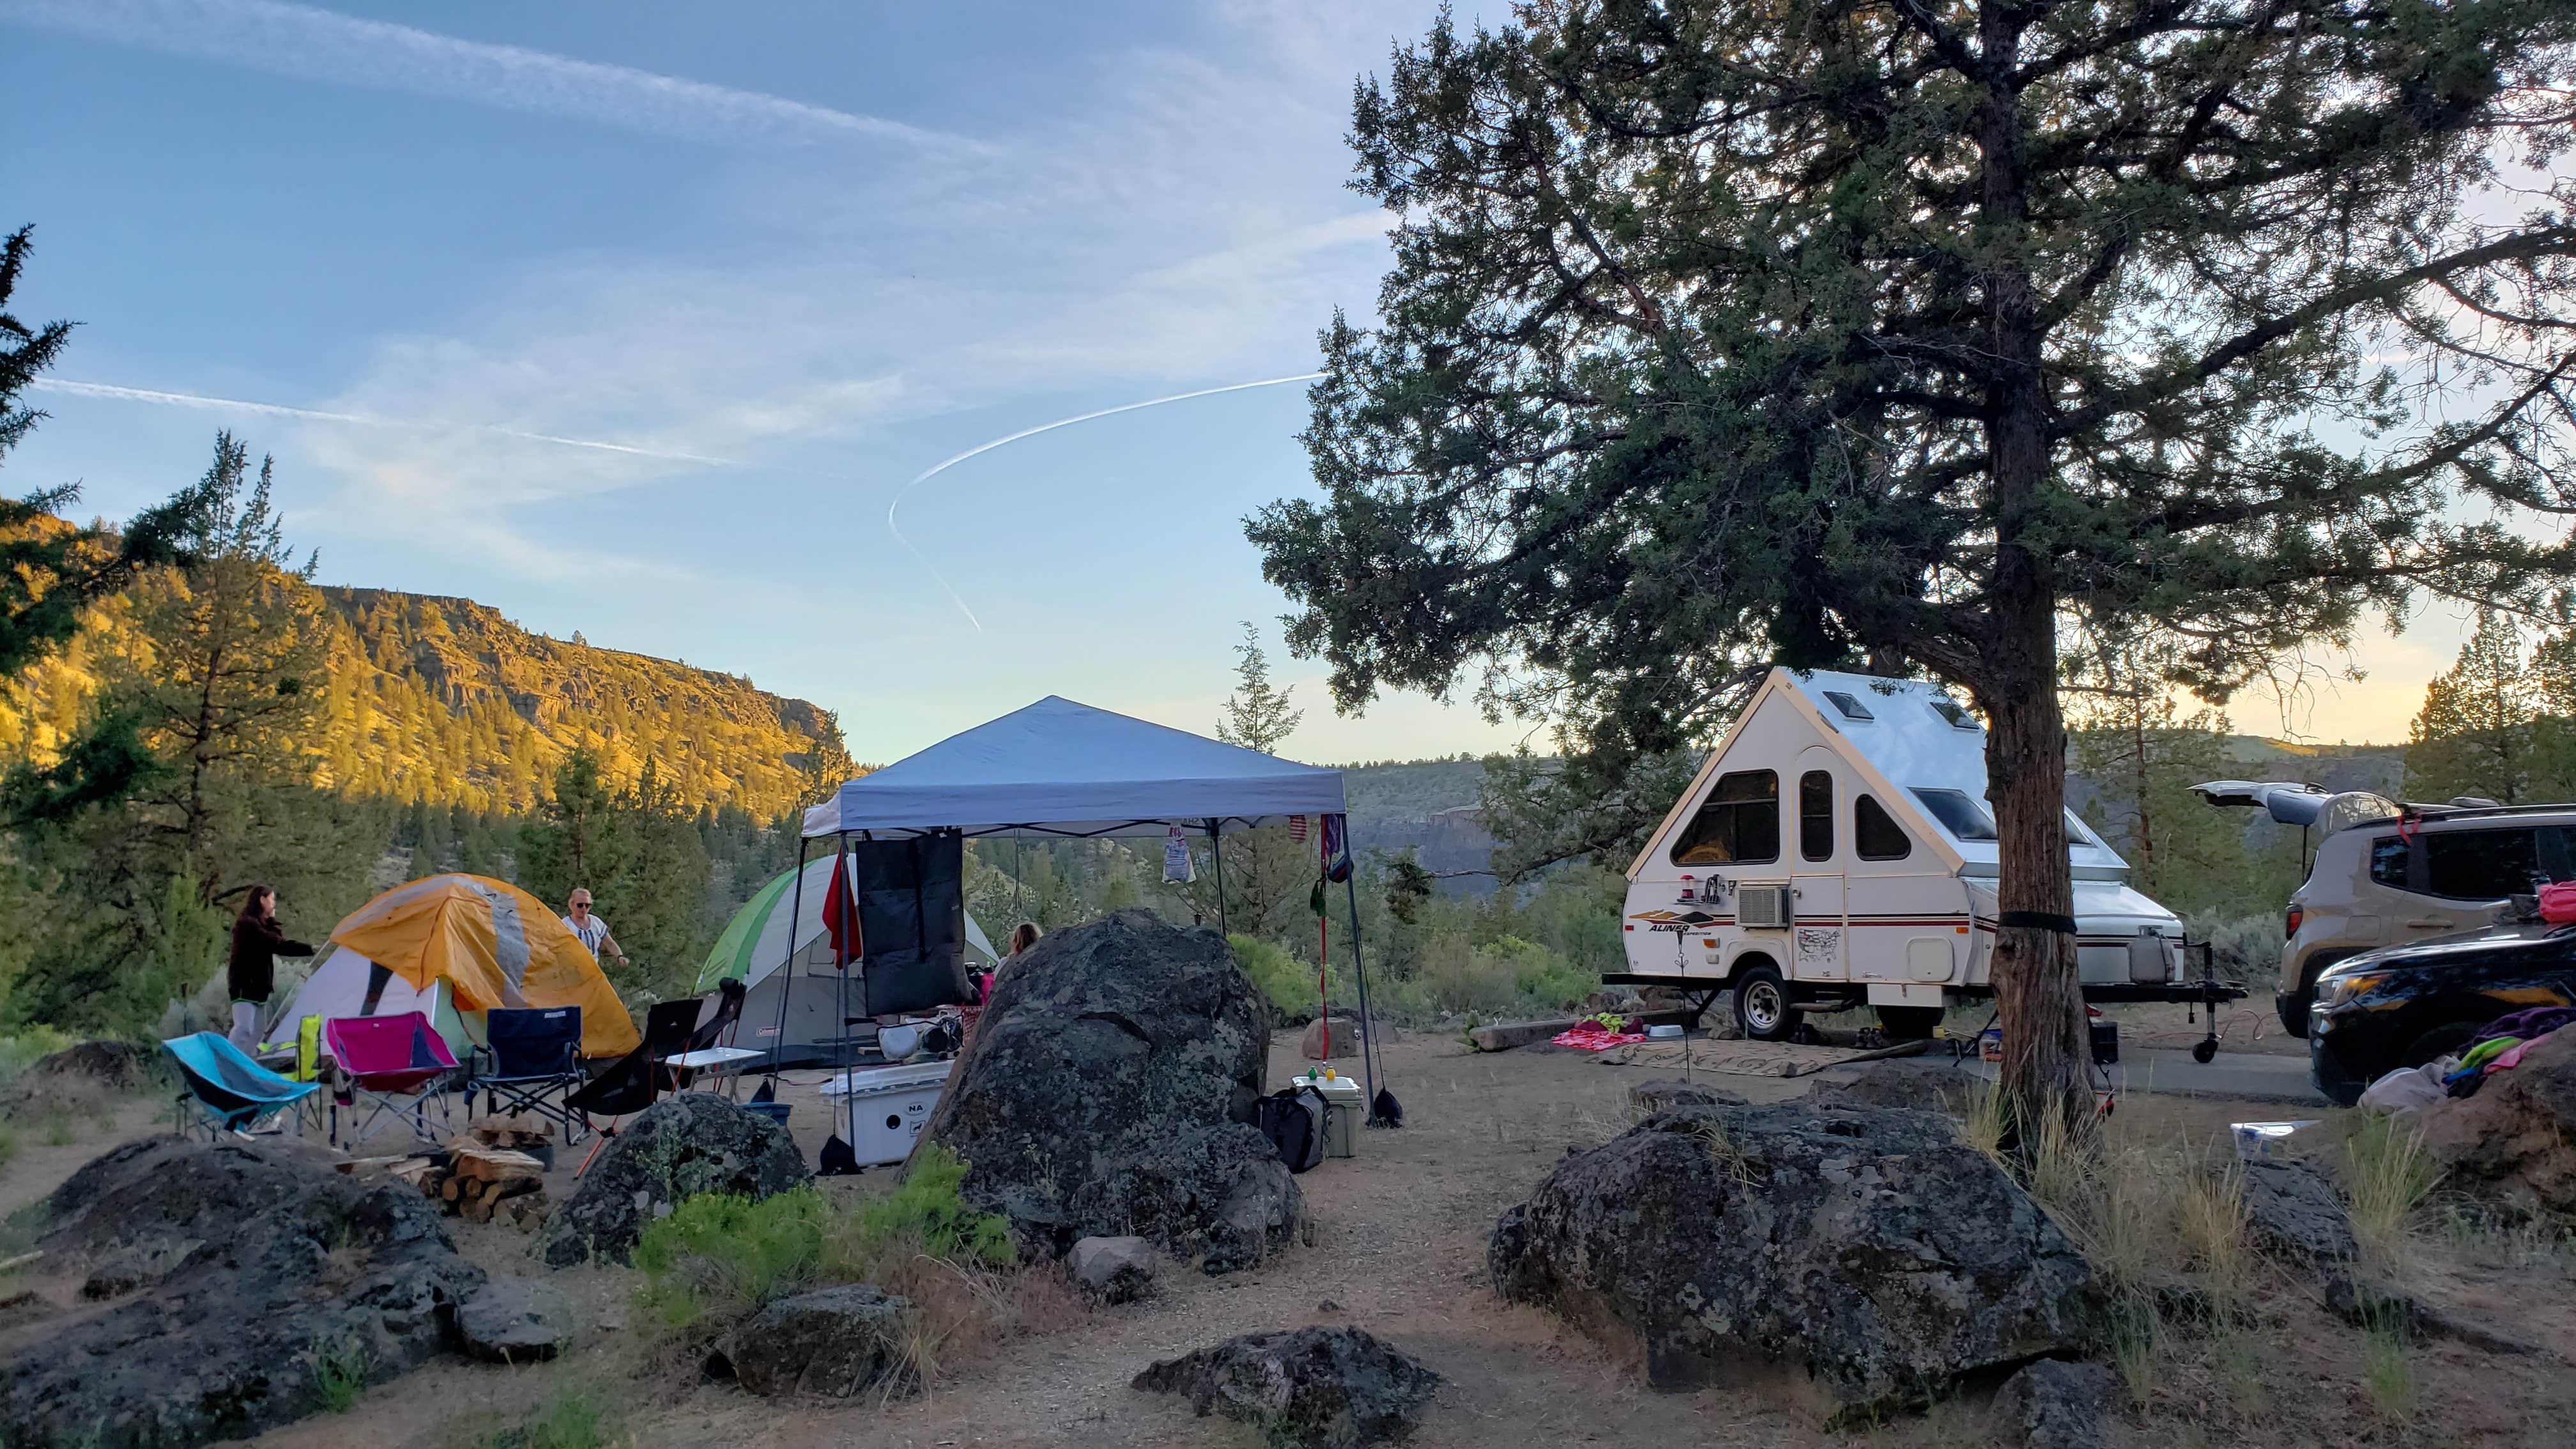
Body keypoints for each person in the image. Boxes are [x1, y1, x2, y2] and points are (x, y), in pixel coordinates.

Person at [227, 885, 314, 1051]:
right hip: (244, 984)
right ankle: (227, 1060)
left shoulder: (262, 925)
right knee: (243, 1028)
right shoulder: (248, 925)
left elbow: (279, 943)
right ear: (262, 899)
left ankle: (246, 1063)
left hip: (259, 987)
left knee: (257, 1033)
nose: (274, 904)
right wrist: (308, 949)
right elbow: (277, 943)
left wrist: (272, 921)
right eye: (272, 899)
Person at [563, 887, 628, 970]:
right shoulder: (564, 925)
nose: (584, 908)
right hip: (571, 971)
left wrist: (620, 956)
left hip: (593, 971)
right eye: (580, 905)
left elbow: (610, 943)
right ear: (572, 904)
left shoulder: (596, 922)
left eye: (587, 905)